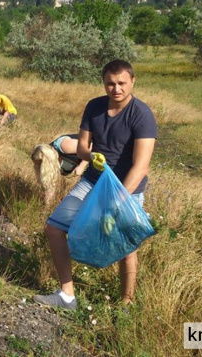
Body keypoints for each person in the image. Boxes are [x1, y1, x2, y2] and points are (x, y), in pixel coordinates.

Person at [34, 59, 157, 310]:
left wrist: (117, 204)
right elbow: (81, 147)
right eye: (110, 84)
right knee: (53, 228)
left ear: (132, 82)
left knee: (125, 246)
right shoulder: (94, 107)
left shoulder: (142, 115)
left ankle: (126, 303)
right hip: (93, 180)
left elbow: (141, 166)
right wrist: (91, 157)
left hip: (125, 188)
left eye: (122, 83)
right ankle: (67, 295)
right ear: (104, 83)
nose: (116, 89)